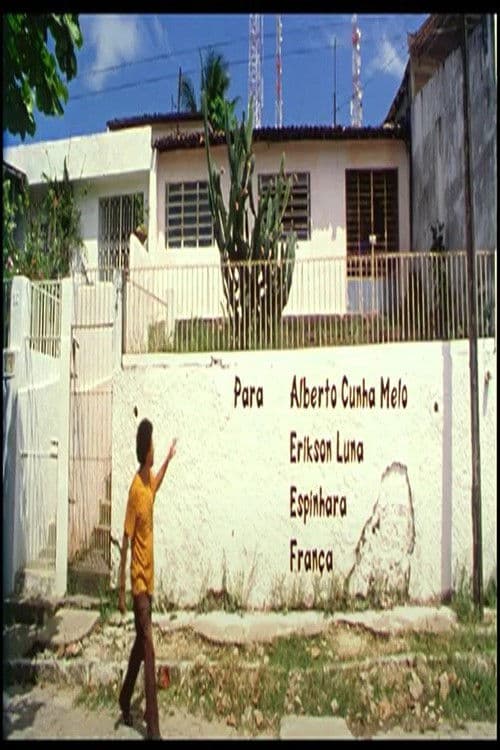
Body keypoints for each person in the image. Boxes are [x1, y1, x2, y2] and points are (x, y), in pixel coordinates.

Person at [118, 418, 177, 740]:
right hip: (138, 582)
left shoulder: (147, 483)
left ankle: (124, 698)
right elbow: (125, 539)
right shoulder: (134, 491)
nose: (154, 449)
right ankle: (153, 727)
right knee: (150, 649)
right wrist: (121, 589)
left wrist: (168, 458)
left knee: (140, 648)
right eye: (154, 446)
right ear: (146, 450)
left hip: (149, 581)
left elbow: (157, 484)